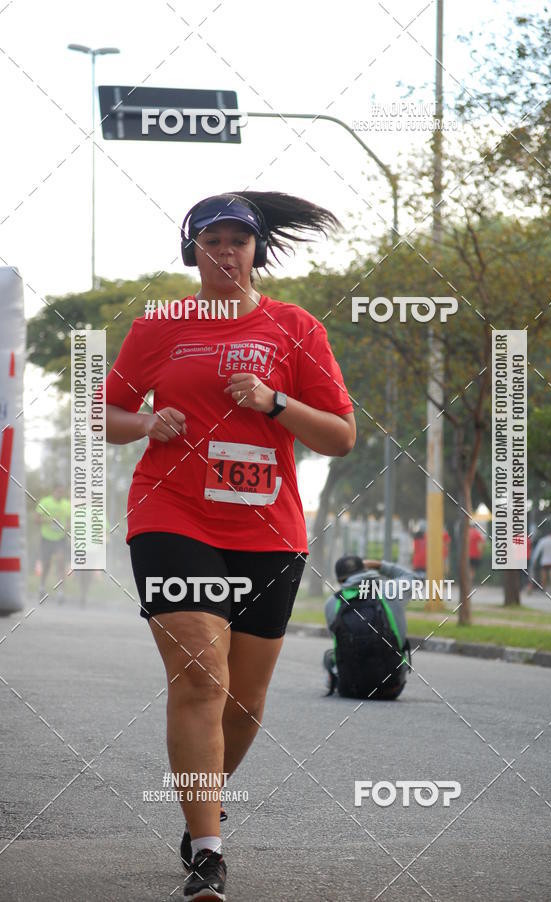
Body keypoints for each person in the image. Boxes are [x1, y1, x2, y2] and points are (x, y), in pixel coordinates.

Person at [104, 191, 356, 900]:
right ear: (193, 251)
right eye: (210, 240)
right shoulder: (160, 326)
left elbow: (338, 434)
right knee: (198, 679)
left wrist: (275, 402)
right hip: (173, 516)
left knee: (243, 704)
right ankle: (208, 854)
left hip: (268, 530)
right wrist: (146, 423)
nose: (224, 252)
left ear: (256, 250)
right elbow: (109, 414)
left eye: (237, 241)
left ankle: (200, 810)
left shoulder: (295, 328)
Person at [323, 554, 414, 698]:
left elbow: (337, 641)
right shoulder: (391, 590)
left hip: (350, 689)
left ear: (340, 580)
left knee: (329, 656)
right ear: (365, 571)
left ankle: (333, 679)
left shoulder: (332, 603)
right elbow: (412, 577)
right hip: (391, 688)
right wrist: (379, 565)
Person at [35, 484, 70, 603]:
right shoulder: (45, 502)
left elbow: (70, 521)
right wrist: (50, 520)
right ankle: (42, 586)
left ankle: (61, 592)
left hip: (60, 538)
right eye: (58, 491)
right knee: (47, 564)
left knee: (61, 563)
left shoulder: (66, 504)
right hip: (47, 537)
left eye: (62, 492)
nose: (60, 494)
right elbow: (36, 520)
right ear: (53, 491)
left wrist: (67, 528)